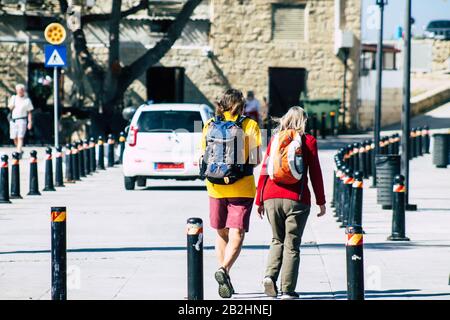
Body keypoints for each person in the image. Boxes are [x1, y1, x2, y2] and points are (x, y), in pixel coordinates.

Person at [255, 106, 326, 299]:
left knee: (276, 239)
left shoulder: (275, 139)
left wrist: (259, 199)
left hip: (271, 197)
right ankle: (287, 289)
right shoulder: (308, 141)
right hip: (297, 200)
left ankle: (269, 276)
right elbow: (315, 173)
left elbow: (264, 169)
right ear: (304, 121)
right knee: (292, 245)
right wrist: (321, 201)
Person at [200, 88, 262, 298]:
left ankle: (225, 273)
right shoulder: (250, 125)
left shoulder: (209, 125)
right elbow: (255, 159)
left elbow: (203, 156)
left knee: (221, 231)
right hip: (242, 187)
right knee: (237, 232)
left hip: (215, 187)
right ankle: (223, 270)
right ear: (241, 106)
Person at [8, 84, 33, 157]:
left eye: (21, 90)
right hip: (14, 120)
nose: (20, 91)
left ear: (23, 91)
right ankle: (19, 149)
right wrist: (12, 106)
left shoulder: (27, 100)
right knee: (14, 137)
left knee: (20, 136)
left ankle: (18, 152)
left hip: (22, 120)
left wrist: (30, 122)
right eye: (18, 90)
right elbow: (10, 108)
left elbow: (29, 112)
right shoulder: (14, 98)